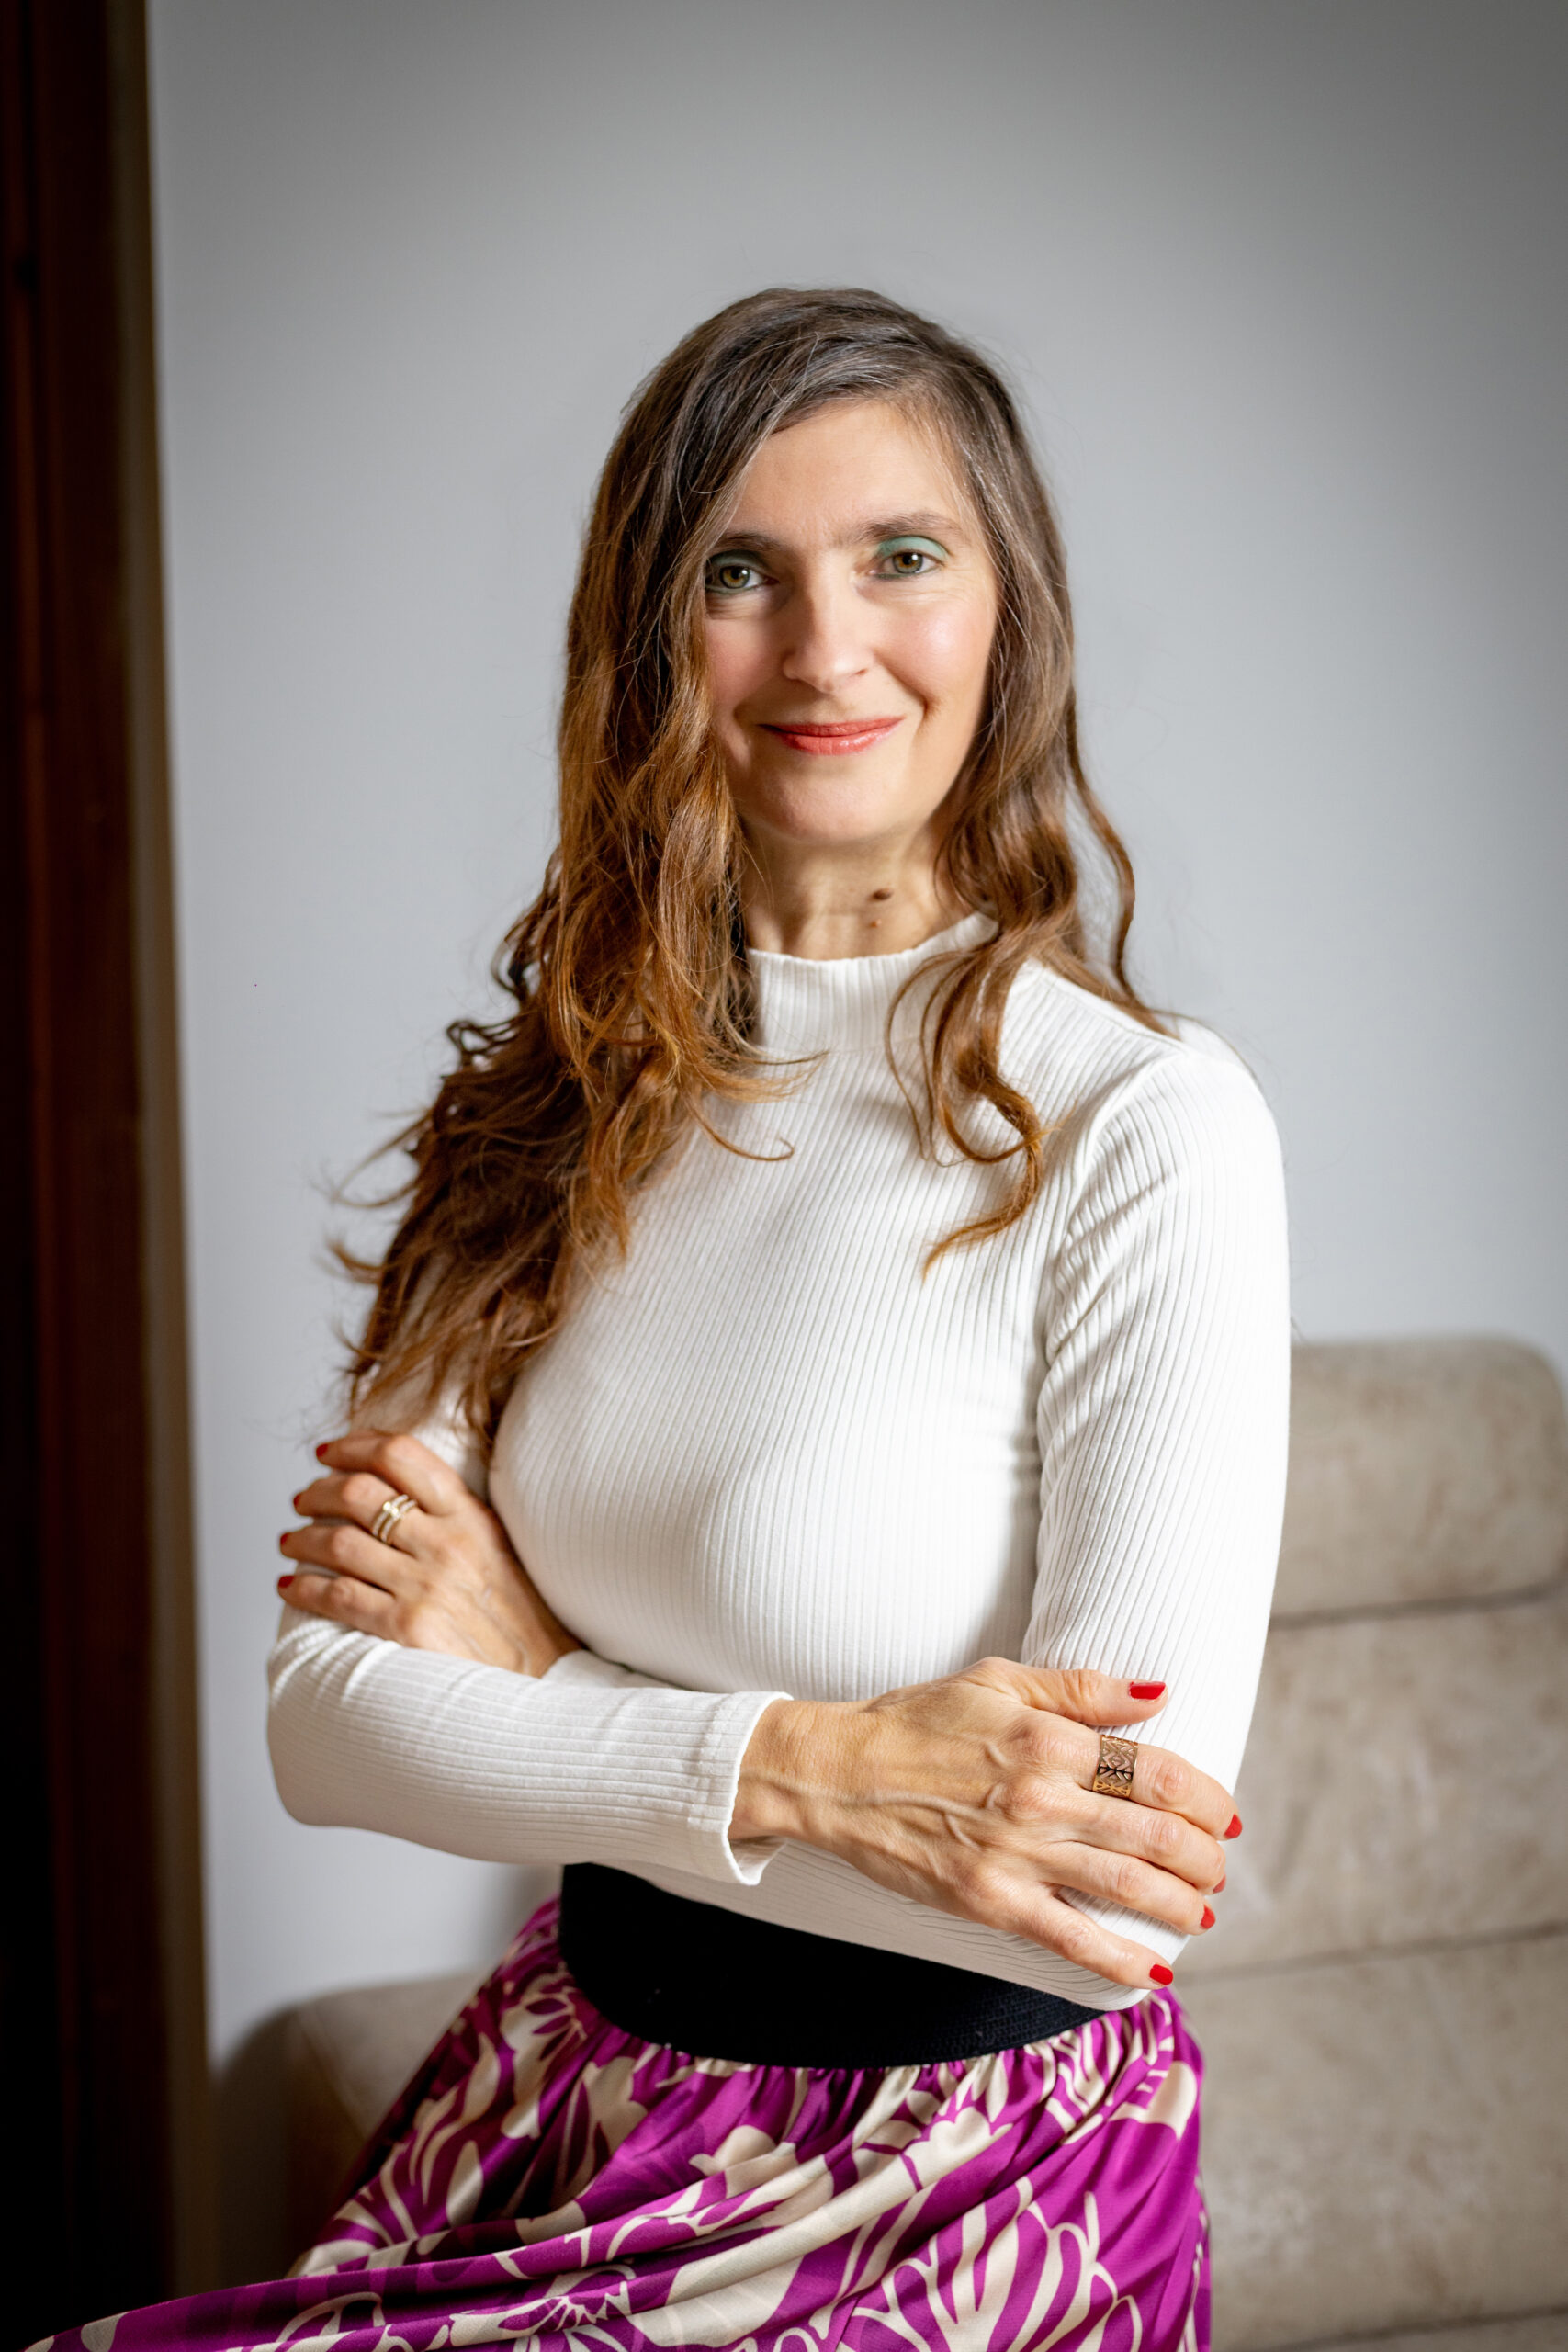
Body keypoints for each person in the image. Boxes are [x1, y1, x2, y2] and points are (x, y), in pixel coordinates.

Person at [40, 287, 1288, 2351]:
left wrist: (542, 1677)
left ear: (1009, 614)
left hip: (960, 2183)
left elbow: (1093, 1901)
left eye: (901, 556)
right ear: (647, 638)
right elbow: (326, 1720)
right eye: (738, 573)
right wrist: (807, 1766)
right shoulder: (545, 1102)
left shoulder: (1142, 1128)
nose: (824, 649)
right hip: (576, 2075)